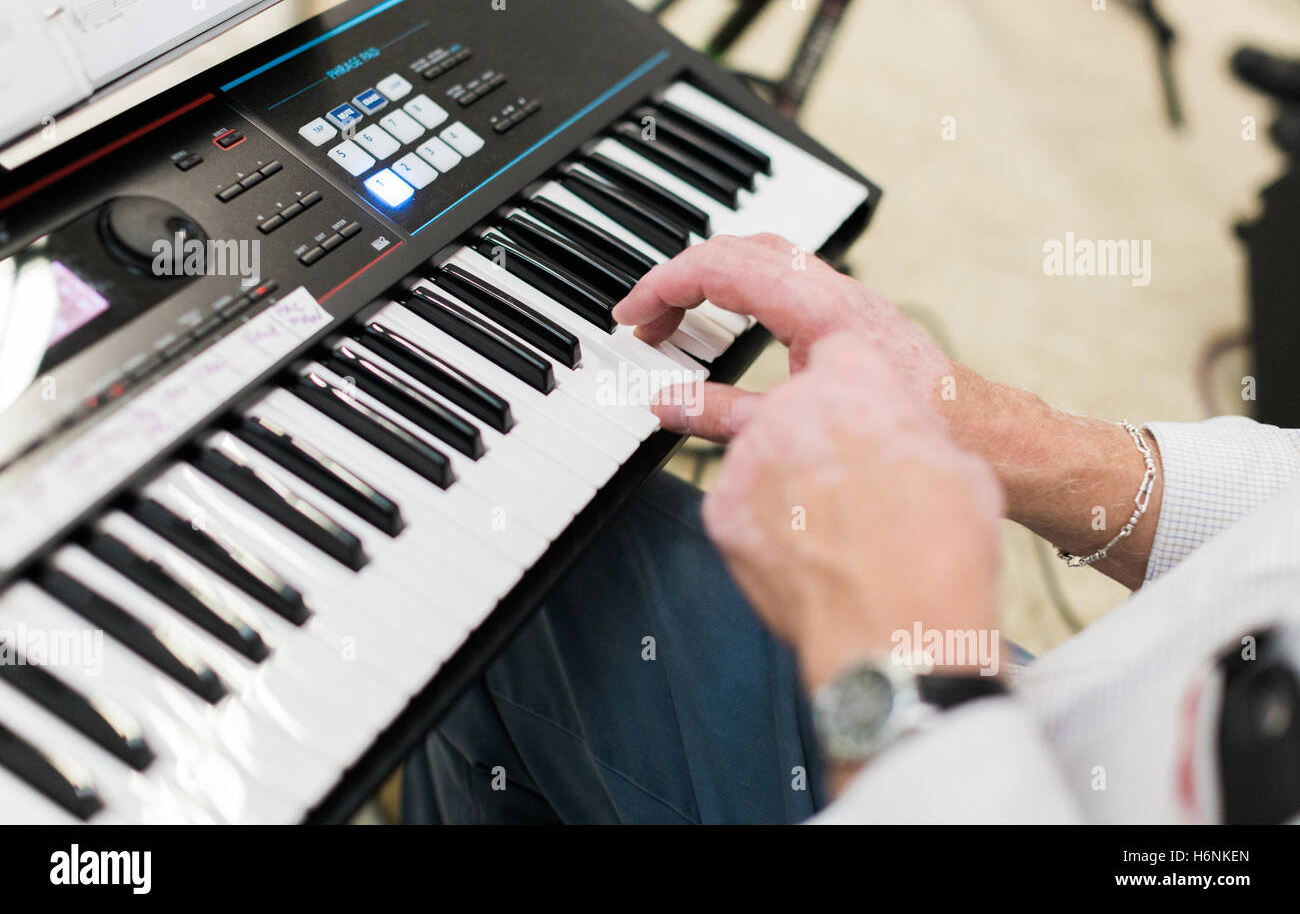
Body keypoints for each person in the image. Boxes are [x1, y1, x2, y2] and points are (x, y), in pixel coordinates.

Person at [402, 234, 1300, 824]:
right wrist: (1004, 431)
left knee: (509, 583)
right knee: (557, 545)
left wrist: (897, 663)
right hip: (1048, 732)